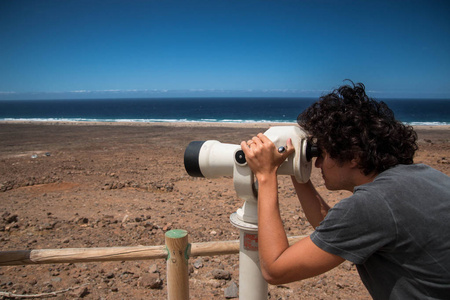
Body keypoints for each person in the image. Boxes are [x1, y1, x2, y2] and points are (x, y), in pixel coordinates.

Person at [240, 81, 450, 299]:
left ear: (353, 157)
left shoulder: (373, 205)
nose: (318, 163)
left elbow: (275, 270)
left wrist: (265, 176)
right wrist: (296, 169)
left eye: (323, 153)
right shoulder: (423, 176)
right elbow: (334, 228)